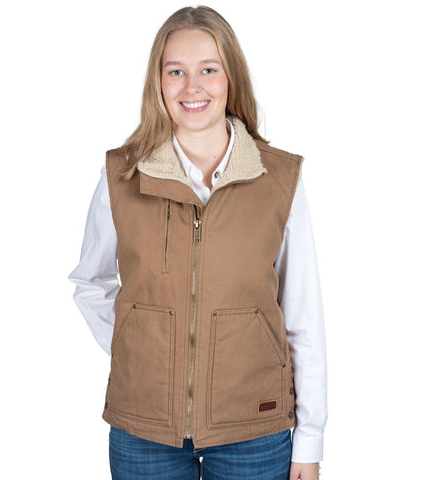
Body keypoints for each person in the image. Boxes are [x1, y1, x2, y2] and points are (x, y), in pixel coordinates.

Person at [68, 5, 327, 480]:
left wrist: (309, 443)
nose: (192, 87)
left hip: (254, 426)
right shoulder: (122, 175)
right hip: (143, 427)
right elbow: (91, 281)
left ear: (230, 77)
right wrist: (141, 349)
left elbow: (303, 317)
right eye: (176, 71)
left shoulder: (279, 179)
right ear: (158, 81)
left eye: (208, 69)